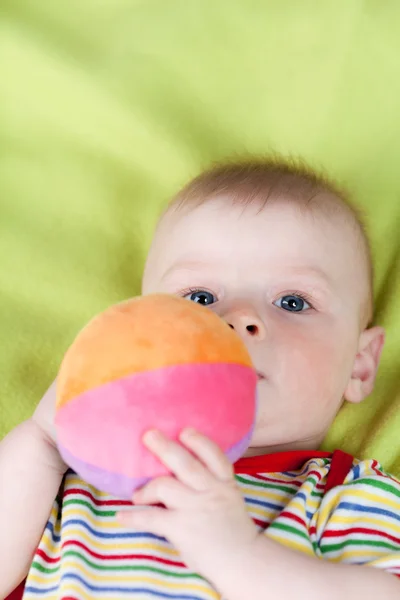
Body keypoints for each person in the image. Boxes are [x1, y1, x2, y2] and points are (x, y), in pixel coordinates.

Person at [1, 158, 400, 600]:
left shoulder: (347, 495)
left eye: (292, 302)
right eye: (200, 297)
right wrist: (43, 441)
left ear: (360, 365)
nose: (236, 320)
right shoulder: (79, 472)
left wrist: (237, 555)